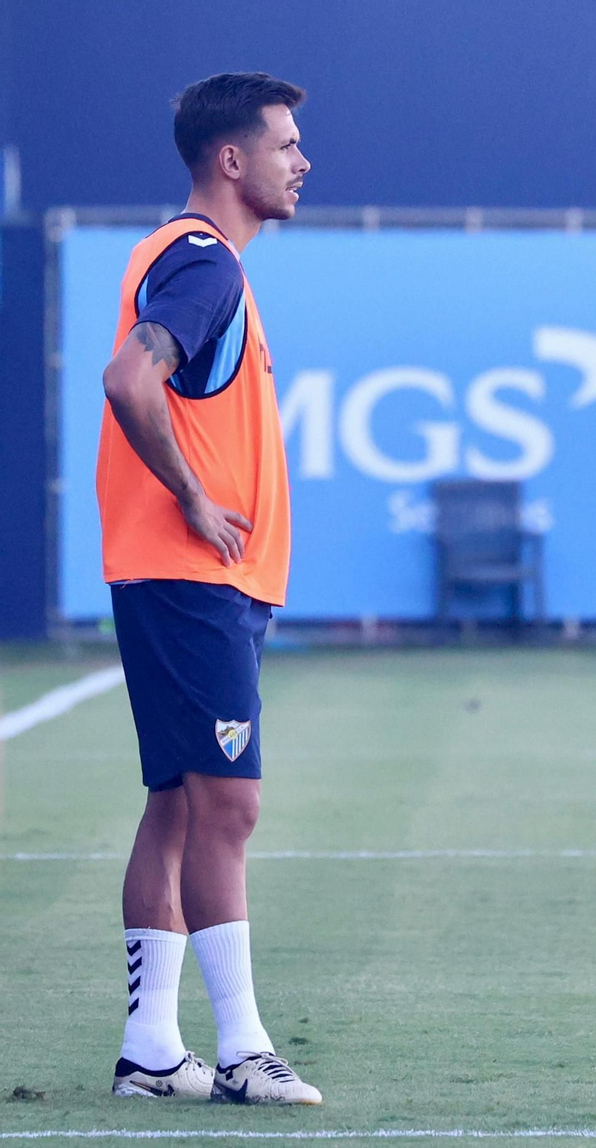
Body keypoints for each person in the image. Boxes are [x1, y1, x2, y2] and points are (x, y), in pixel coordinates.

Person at [100, 72, 318, 1105]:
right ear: (231, 159)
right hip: (191, 578)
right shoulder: (205, 262)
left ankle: (150, 1050)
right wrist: (191, 494)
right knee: (228, 805)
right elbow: (129, 378)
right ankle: (242, 1049)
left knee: (181, 809)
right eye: (285, 144)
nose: (302, 161)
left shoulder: (192, 259)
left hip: (182, 578)